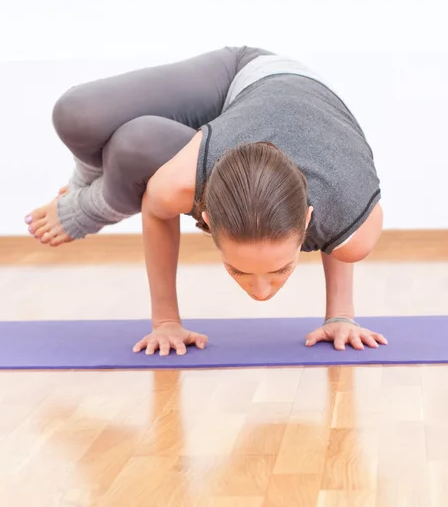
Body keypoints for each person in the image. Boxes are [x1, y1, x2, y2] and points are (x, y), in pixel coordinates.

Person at [24, 47, 388, 355]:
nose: (261, 293)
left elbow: (344, 221)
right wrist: (166, 321)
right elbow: (156, 208)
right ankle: (86, 198)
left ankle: (90, 193)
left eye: (279, 269)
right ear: (209, 219)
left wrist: (341, 315)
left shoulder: (354, 219)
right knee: (79, 115)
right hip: (246, 78)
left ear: (310, 220)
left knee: (132, 142)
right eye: (239, 270)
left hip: (282, 115)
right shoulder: (184, 182)